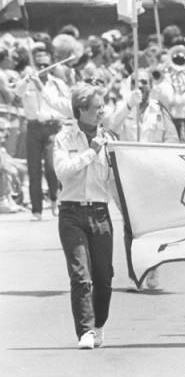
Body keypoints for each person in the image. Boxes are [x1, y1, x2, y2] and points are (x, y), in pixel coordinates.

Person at [53, 83, 119, 349]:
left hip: (100, 212)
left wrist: (129, 216)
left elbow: (115, 182)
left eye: (103, 107)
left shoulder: (110, 139)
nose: (102, 112)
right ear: (81, 110)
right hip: (71, 212)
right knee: (80, 276)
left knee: (104, 277)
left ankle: (98, 324)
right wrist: (91, 152)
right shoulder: (64, 137)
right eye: (96, 108)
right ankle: (85, 331)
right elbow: (62, 171)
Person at [109, 68, 179, 290]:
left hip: (152, 175)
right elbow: (110, 127)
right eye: (136, 83)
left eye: (144, 83)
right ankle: (136, 271)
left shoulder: (160, 110)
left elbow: (172, 139)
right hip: (128, 176)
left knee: (152, 225)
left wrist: (161, 157)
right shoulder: (123, 107)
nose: (141, 87)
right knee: (131, 225)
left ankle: (153, 267)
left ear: (151, 85)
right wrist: (129, 105)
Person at [15, 46, 73, 221]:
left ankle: (54, 199)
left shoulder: (57, 83)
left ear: (51, 65)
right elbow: (17, 92)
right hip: (33, 127)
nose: (42, 68)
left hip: (52, 127)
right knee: (33, 169)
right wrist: (27, 79)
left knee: (51, 166)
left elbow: (65, 105)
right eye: (39, 64)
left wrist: (54, 117)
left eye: (45, 65)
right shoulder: (27, 81)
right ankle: (36, 210)